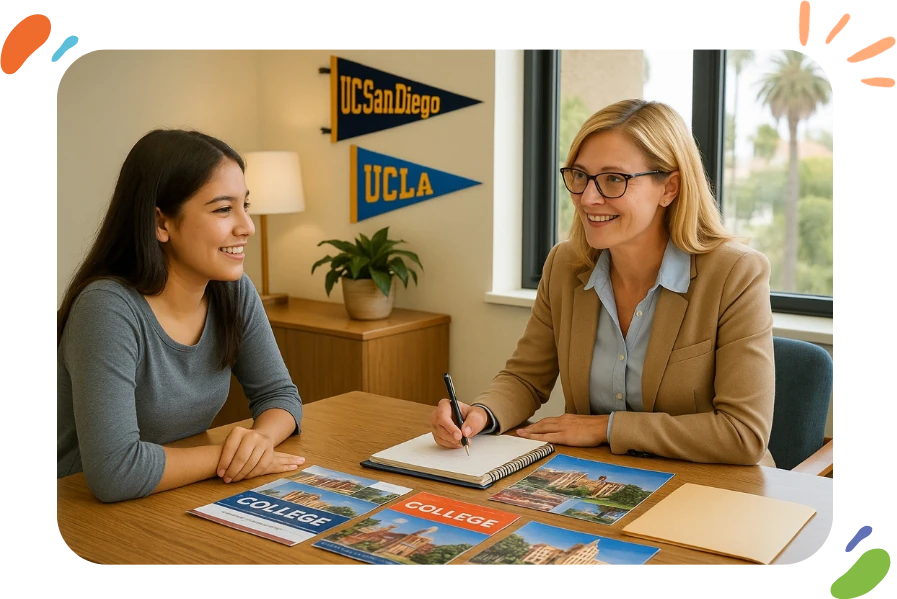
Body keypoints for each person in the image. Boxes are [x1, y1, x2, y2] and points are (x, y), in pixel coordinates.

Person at [430, 99, 776, 467]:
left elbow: (743, 434)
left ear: (669, 188)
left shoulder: (736, 273)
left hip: (712, 493)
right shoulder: (565, 265)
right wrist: (482, 414)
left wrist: (606, 429)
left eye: (614, 179)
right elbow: (525, 378)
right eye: (580, 176)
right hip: (592, 479)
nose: (588, 197)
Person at [56, 128, 306, 503]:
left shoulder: (233, 292)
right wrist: (229, 456)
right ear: (161, 223)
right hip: (84, 517)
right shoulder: (106, 309)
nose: (247, 226)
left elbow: (279, 395)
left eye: (245, 205)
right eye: (223, 209)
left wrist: (258, 442)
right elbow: (115, 473)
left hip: (169, 495)